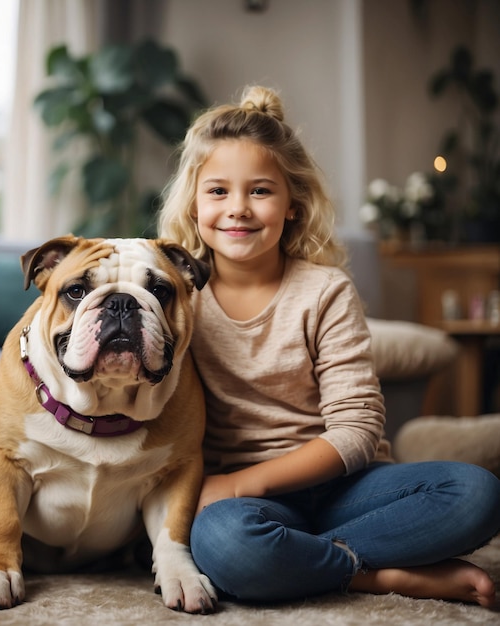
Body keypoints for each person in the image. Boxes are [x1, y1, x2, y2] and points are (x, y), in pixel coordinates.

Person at [157, 85, 500, 607]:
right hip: (252, 512)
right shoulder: (180, 299)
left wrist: (241, 483)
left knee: (477, 493)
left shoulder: (325, 291)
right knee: (224, 543)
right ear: (194, 203)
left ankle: (314, 561)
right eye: (219, 191)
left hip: (346, 488)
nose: (239, 209)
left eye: (261, 191)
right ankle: (377, 572)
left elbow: (358, 430)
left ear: (293, 204)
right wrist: (228, 492)